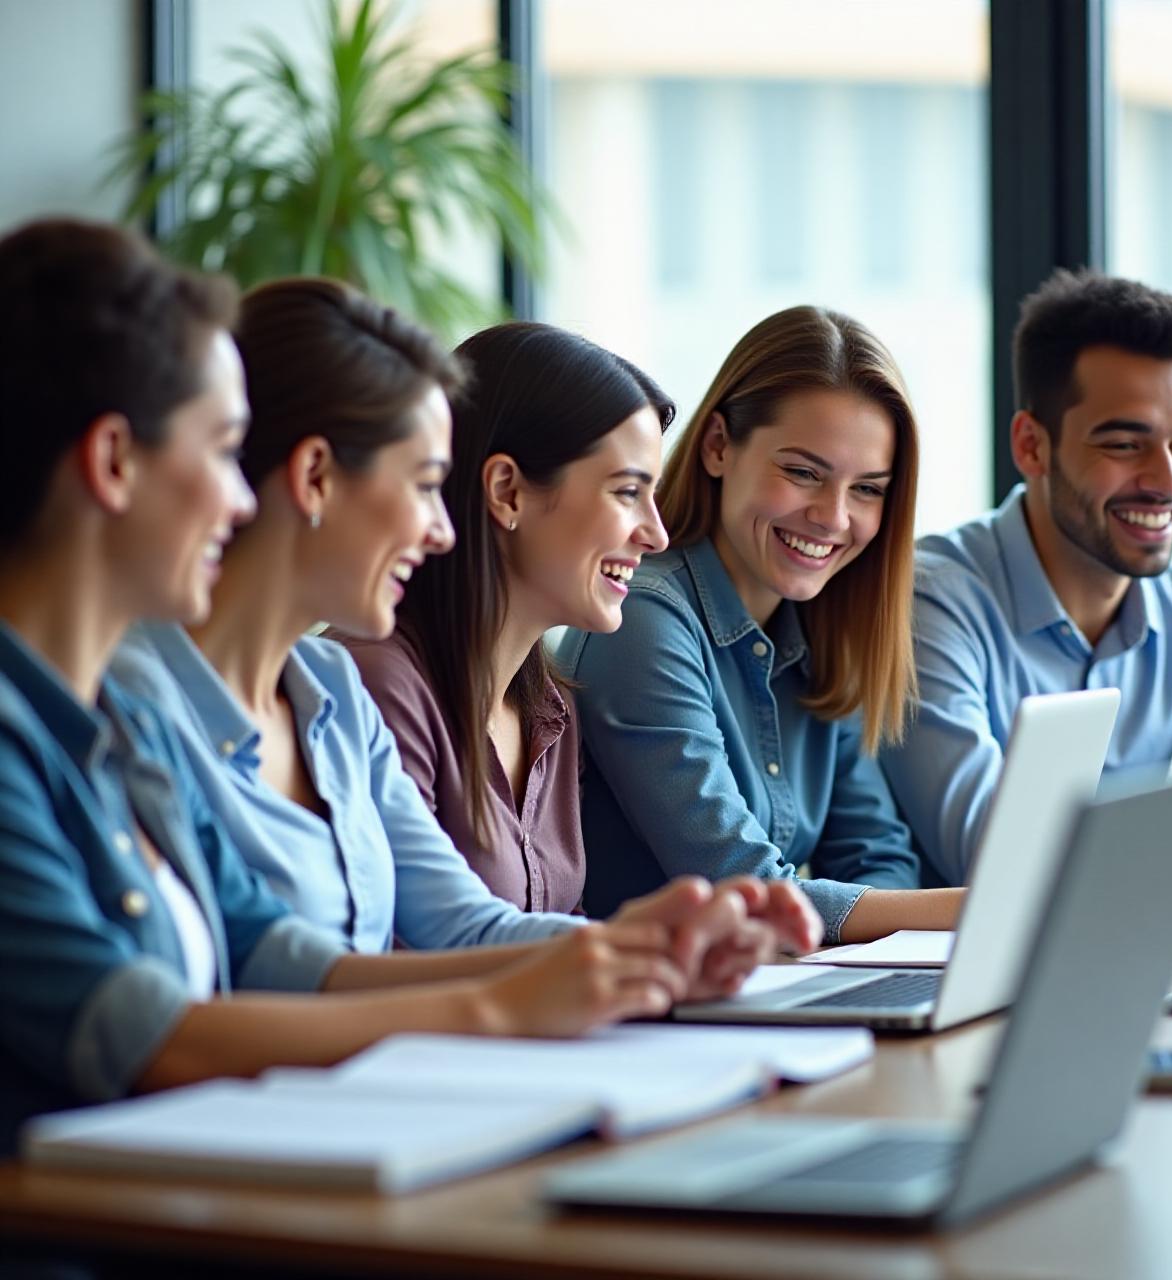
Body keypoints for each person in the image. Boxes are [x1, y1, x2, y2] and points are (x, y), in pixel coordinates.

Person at [0, 221, 806, 1153]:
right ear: (111, 463)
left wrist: (626, 957)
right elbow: (146, 1035)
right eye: (224, 452)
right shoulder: (102, 719)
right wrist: (502, 1009)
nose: (239, 494)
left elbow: (277, 952)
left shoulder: (116, 718)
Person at [108, 279, 816, 965]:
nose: (442, 527)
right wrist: (609, 963)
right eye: (423, 485)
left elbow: (460, 927)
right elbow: (249, 994)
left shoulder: (335, 690)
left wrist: (650, 948)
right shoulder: (152, 705)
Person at [879, 268, 1172, 932]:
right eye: (1125, 445)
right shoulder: (930, 601)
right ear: (1032, 446)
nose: (1167, 480)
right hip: (958, 997)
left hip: (1123, 977)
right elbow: (992, 850)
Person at [558, 305, 966, 944]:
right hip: (650, 1017)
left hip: (765, 994)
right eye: (803, 473)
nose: (833, 518)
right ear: (719, 446)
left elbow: (878, 857)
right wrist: (985, 908)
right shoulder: (641, 617)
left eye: (867, 489)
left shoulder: (825, 626)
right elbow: (746, 889)